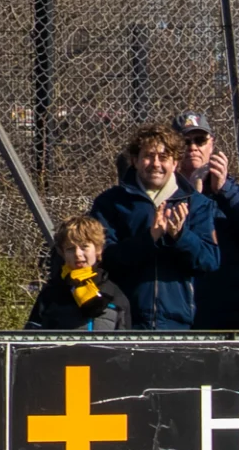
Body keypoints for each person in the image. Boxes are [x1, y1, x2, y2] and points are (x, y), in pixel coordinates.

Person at [90, 125, 220, 329]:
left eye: (163, 157)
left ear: (175, 162)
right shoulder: (111, 203)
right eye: (148, 156)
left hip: (179, 324)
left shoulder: (197, 204)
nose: (156, 164)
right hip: (124, 321)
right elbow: (102, 258)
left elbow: (209, 261)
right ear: (135, 160)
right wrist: (149, 239)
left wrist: (180, 236)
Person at [171, 111, 239, 330]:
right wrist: (193, 195)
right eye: (185, 142)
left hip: (230, 315)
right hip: (181, 315)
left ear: (212, 144)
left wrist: (224, 191)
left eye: (200, 140)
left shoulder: (237, 193)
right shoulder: (165, 196)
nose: (193, 147)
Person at [26, 215, 132, 331]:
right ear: (62, 253)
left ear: (98, 249)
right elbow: (31, 339)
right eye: (70, 249)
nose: (78, 254)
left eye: (84, 247)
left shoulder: (114, 293)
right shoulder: (51, 294)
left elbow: (125, 343)